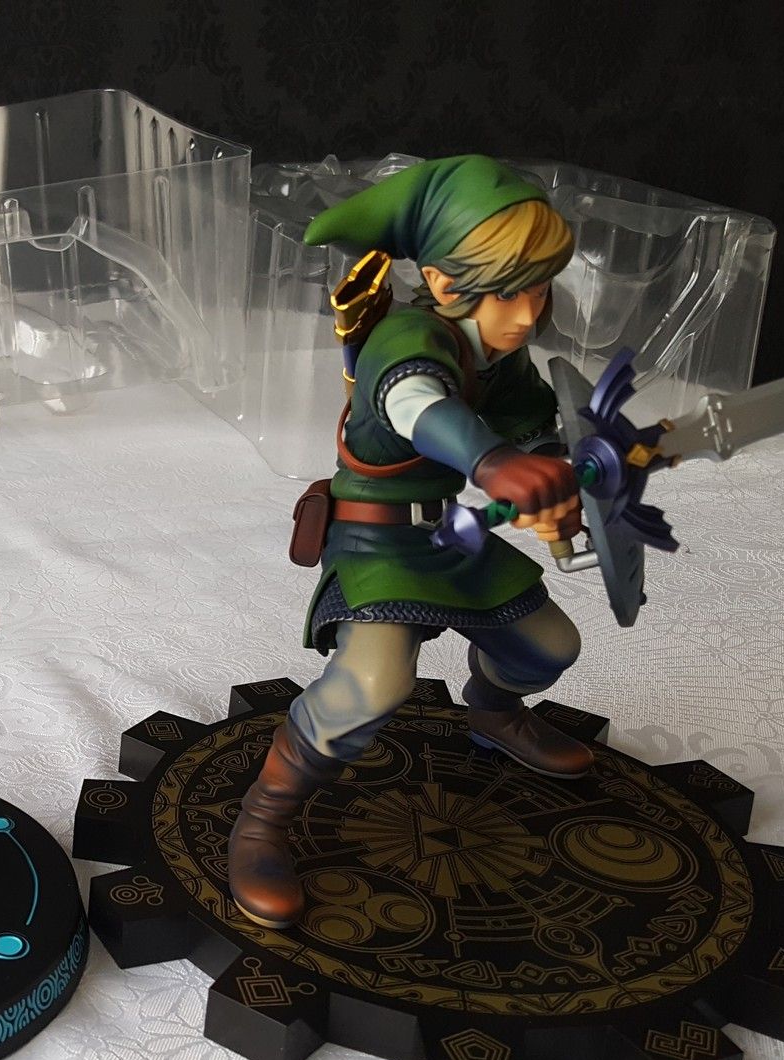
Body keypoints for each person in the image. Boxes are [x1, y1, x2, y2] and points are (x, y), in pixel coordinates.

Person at [229, 155, 591, 929]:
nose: (528, 313)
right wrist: (495, 465)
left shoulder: (500, 351)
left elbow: (534, 428)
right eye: (509, 292)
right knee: (373, 685)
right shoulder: (407, 337)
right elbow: (419, 406)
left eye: (538, 290)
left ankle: (493, 713)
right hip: (374, 544)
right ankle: (262, 817)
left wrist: (557, 479)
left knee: (549, 646)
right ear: (443, 282)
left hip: (451, 534)